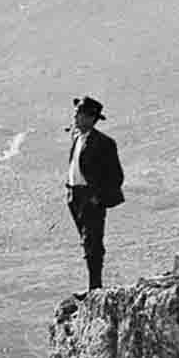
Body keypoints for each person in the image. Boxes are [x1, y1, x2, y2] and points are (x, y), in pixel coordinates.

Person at [64, 95, 123, 291]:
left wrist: (98, 197)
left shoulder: (104, 143)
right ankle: (93, 286)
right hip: (75, 196)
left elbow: (116, 176)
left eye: (78, 115)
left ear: (90, 118)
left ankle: (94, 288)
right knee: (86, 240)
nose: (75, 118)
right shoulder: (77, 136)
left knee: (92, 241)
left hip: (90, 198)